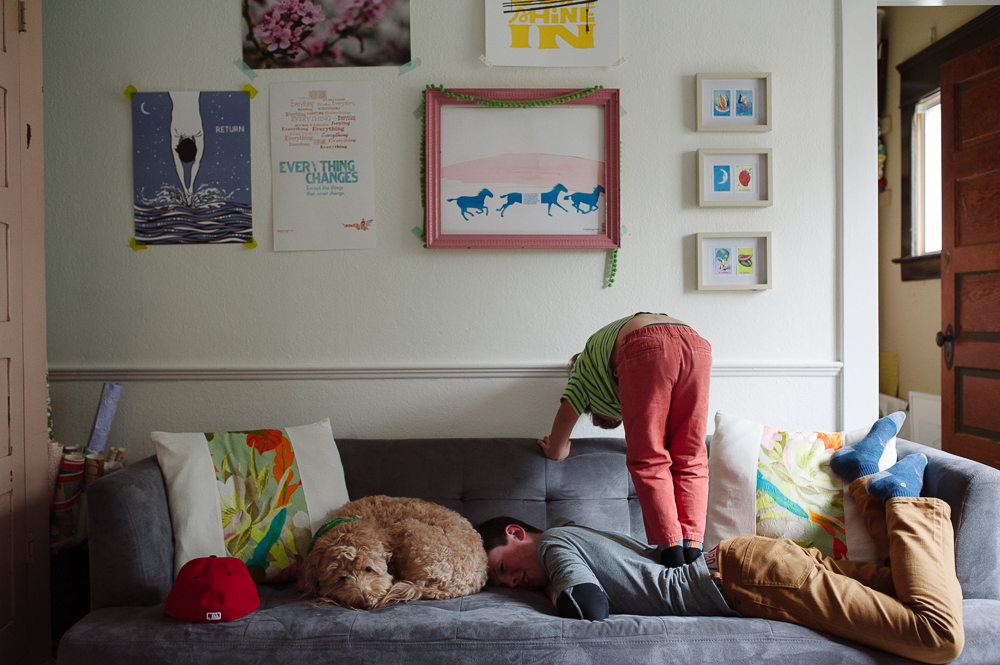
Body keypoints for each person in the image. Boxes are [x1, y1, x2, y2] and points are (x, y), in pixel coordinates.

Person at [480, 413, 964, 665]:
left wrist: (548, 588)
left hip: (748, 579)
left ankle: (900, 499)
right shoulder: (571, 535)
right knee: (903, 588)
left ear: (517, 532)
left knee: (938, 637)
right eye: (505, 584)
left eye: (504, 567)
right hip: (752, 567)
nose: (513, 581)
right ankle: (864, 481)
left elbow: (589, 607)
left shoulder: (554, 545)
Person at [538, 313, 712, 567]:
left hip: (648, 344)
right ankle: (693, 549)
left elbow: (565, 417)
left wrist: (558, 448)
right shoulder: (604, 356)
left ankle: (672, 551)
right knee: (692, 457)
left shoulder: (583, 370)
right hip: (695, 343)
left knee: (649, 458)